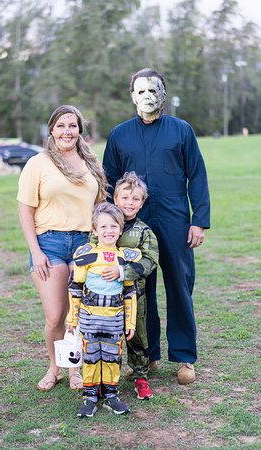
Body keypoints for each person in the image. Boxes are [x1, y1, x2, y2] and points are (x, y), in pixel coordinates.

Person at [103, 68, 210, 385]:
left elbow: (198, 175)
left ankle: (184, 357)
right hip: (133, 222)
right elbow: (108, 181)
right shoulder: (120, 135)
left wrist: (199, 221)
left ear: (163, 94)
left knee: (179, 286)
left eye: (154, 90)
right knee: (138, 290)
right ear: (132, 95)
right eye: (141, 91)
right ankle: (145, 357)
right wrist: (111, 223)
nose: (147, 96)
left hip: (175, 219)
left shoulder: (181, 130)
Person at [17, 105, 107, 392]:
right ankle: (54, 368)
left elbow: (100, 207)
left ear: (80, 129)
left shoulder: (90, 162)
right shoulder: (38, 163)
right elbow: (25, 210)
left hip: (83, 245)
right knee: (55, 315)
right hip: (49, 244)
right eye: (61, 126)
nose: (67, 131)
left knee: (77, 313)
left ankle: (74, 370)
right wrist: (37, 251)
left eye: (72, 125)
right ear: (52, 130)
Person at [67, 202, 141, 417]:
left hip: (115, 318)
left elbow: (130, 292)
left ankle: (111, 395)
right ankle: (89, 397)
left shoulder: (126, 258)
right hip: (90, 317)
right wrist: (72, 318)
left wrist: (130, 322)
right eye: (103, 227)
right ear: (94, 230)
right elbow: (75, 287)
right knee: (91, 357)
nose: (109, 231)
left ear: (120, 229)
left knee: (112, 357)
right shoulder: (86, 255)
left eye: (113, 226)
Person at [90, 172, 159, 400]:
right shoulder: (103, 224)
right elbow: (91, 253)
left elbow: (150, 261)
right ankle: (107, 381)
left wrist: (123, 272)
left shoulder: (144, 232)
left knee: (137, 336)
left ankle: (141, 377)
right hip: (103, 298)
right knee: (107, 337)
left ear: (142, 202)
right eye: (125, 197)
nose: (130, 203)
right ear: (115, 199)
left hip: (133, 296)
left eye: (136, 199)